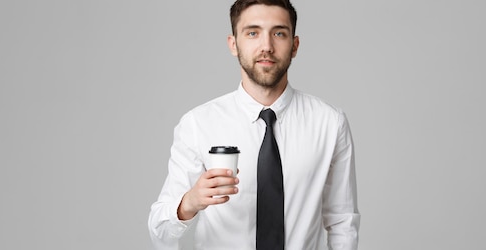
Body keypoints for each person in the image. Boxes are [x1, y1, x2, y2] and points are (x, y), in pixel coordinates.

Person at [148, 0, 360, 249]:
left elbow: (342, 222)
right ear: (233, 44)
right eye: (252, 33)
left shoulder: (330, 123)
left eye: (279, 33)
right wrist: (189, 203)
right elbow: (159, 231)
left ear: (295, 45)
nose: (266, 46)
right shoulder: (198, 124)